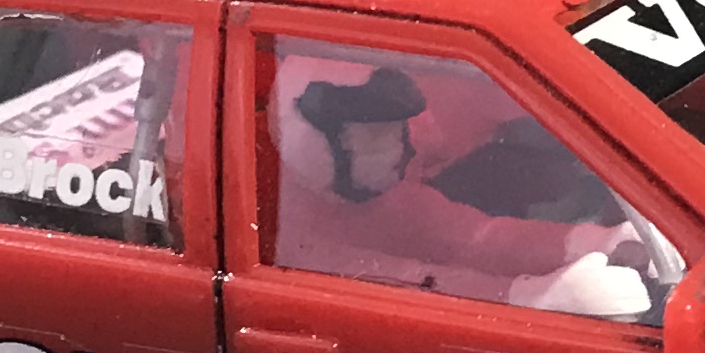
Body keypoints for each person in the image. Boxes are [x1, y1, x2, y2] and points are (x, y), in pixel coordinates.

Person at [273, 56, 674, 318]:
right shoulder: (291, 229)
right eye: (376, 137)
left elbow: (472, 238)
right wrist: (530, 298)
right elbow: (404, 282)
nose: (399, 148)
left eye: (397, 131)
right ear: (314, 142)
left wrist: (596, 242)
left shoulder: (377, 196)